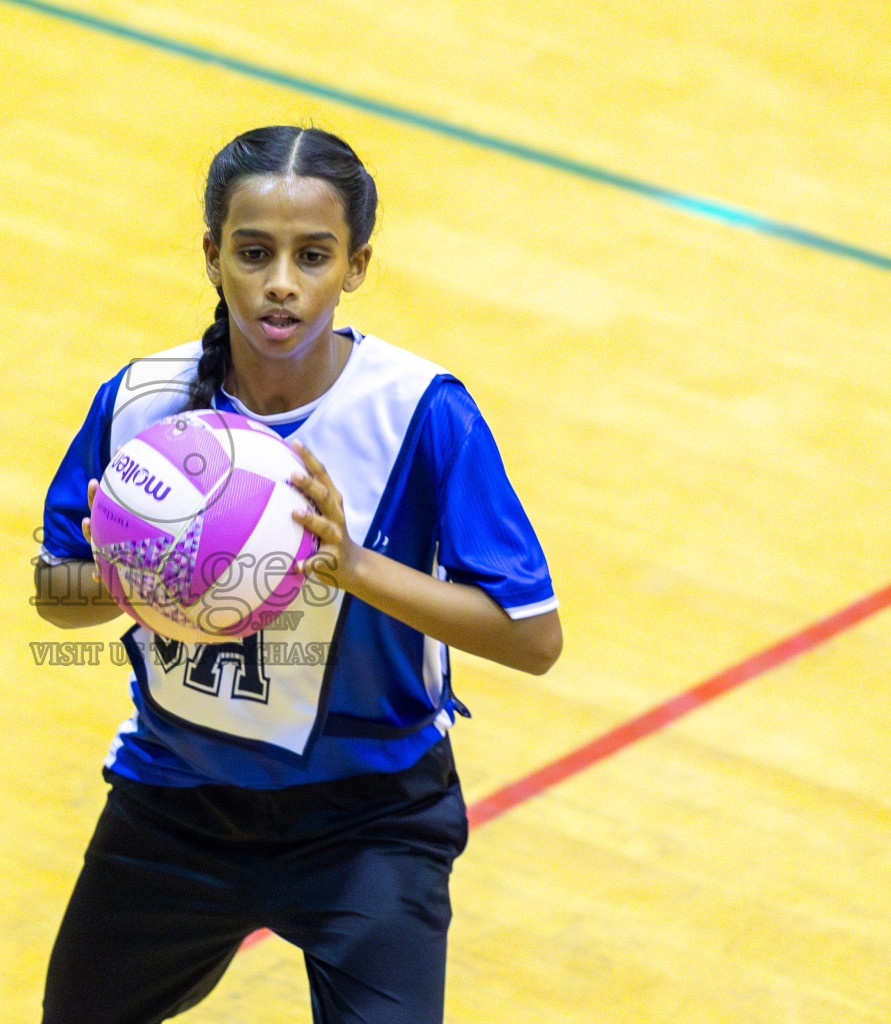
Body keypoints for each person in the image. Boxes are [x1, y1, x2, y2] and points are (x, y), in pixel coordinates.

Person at [33, 125, 562, 1024]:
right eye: (254, 253)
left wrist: (355, 567)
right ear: (212, 256)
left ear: (356, 266)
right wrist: (130, 579)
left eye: (312, 256)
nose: (281, 282)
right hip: (176, 803)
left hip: (370, 824)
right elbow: (55, 592)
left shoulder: (420, 413)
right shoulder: (143, 403)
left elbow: (533, 638)